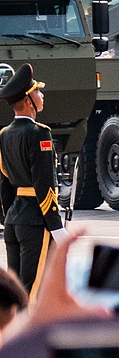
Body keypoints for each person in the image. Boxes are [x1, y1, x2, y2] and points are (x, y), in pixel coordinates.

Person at [0, 63, 62, 298]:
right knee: (31, 294)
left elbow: (4, 184)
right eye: (37, 91)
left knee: (12, 295)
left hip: (14, 221)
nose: (41, 95)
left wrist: (7, 218)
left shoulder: (4, 135)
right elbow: (44, 184)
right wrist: (56, 225)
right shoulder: (39, 133)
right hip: (35, 221)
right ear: (28, 100)